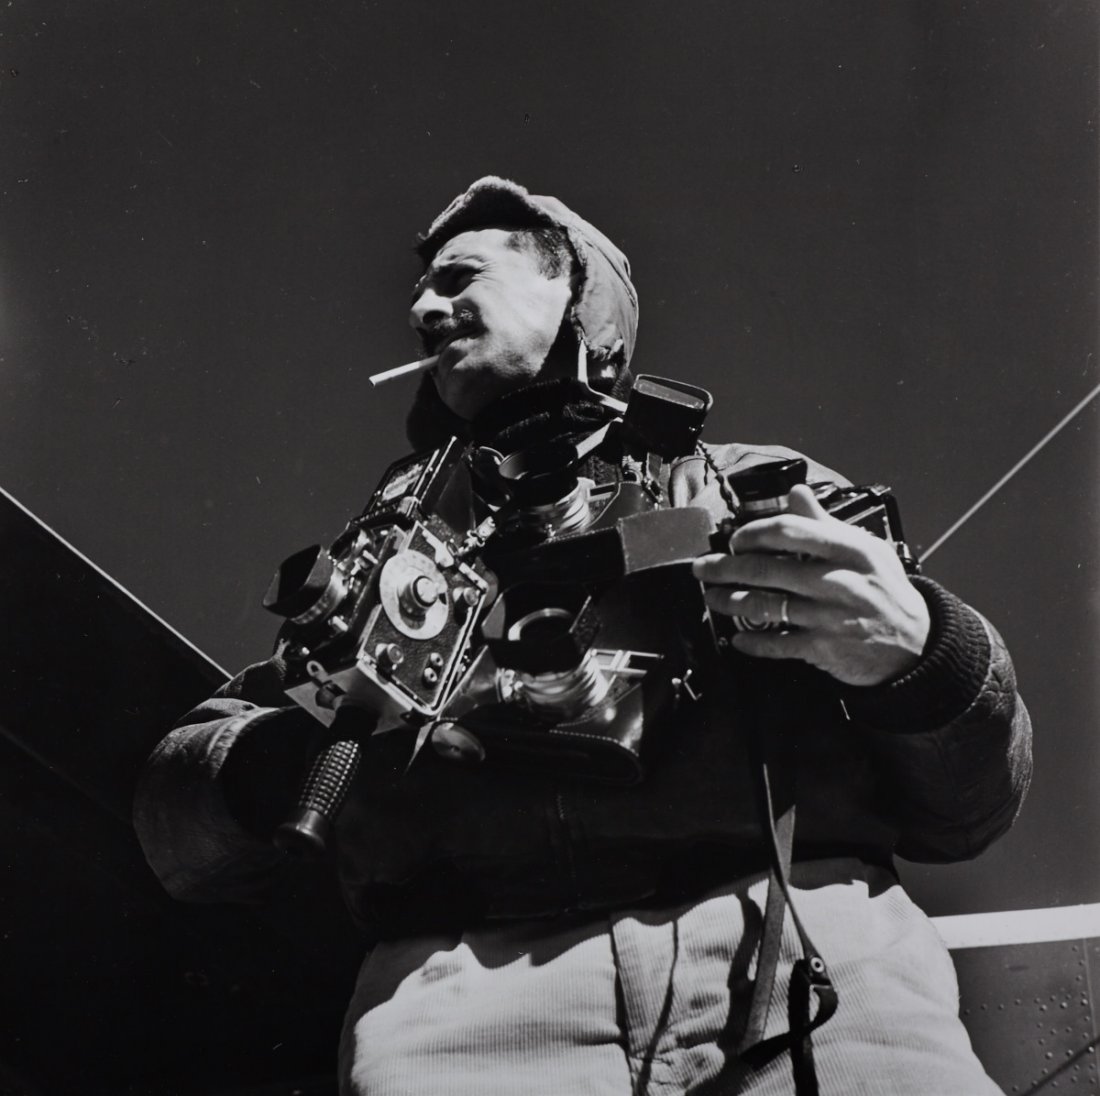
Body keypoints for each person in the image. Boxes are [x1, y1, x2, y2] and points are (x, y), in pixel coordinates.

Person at [135, 177, 1031, 1095]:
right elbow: (181, 828)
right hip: (465, 1004)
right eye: (419, 294)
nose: (421, 309)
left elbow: (973, 806)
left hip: (800, 962)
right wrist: (293, 748)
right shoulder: (386, 566)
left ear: (576, 301)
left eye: (459, 277)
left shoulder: (751, 486)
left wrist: (925, 654)